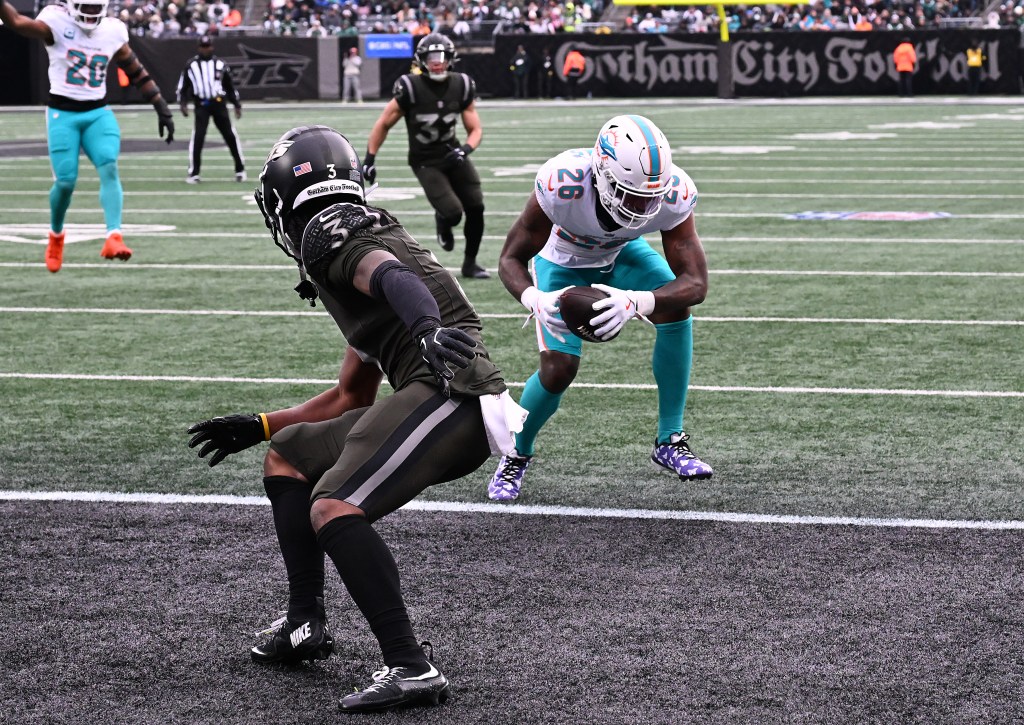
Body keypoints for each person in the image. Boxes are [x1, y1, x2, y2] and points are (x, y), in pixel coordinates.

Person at [187, 125, 524, 713]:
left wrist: (424, 329)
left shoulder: (329, 232)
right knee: (289, 455)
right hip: (431, 392)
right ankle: (303, 624)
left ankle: (410, 666)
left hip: (453, 393)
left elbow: (392, 277)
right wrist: (263, 424)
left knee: (334, 504)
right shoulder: (355, 228)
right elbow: (350, 395)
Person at [488, 114, 712, 501]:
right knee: (559, 369)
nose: (644, 205)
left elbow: (695, 283)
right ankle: (515, 453)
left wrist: (638, 301)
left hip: (622, 254)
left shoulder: (672, 191)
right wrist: (534, 298)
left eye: (650, 196)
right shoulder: (563, 184)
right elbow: (510, 258)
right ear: (603, 175)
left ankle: (669, 438)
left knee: (675, 310)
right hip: (562, 262)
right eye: (632, 194)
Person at [0, 0, 174, 274]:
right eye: (86, 7)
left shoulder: (112, 31)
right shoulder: (56, 23)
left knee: (109, 165)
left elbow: (135, 69)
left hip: (97, 112)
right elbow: (18, 23)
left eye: (96, 7)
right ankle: (56, 236)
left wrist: (160, 105)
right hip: (62, 113)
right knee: (66, 182)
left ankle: (114, 236)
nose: (91, 12)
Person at [360, 33, 490, 280]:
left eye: (442, 56)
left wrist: (465, 150)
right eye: (431, 57)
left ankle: (470, 263)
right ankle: (443, 218)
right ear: (421, 60)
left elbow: (476, 129)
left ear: (451, 59)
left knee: (476, 206)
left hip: (453, 154)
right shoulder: (410, 87)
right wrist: (370, 158)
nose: (437, 62)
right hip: (425, 160)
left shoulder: (461, 84)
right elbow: (383, 123)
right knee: (453, 213)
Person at [176, 35, 245, 184]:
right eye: (203, 46)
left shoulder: (220, 64)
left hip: (218, 103)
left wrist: (236, 104)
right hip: (201, 105)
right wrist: (182, 104)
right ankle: (194, 173)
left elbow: (230, 87)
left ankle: (240, 169)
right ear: (199, 47)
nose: (206, 49)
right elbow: (183, 87)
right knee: (198, 138)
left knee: (230, 136)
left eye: (208, 46)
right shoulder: (191, 65)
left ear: (212, 47)